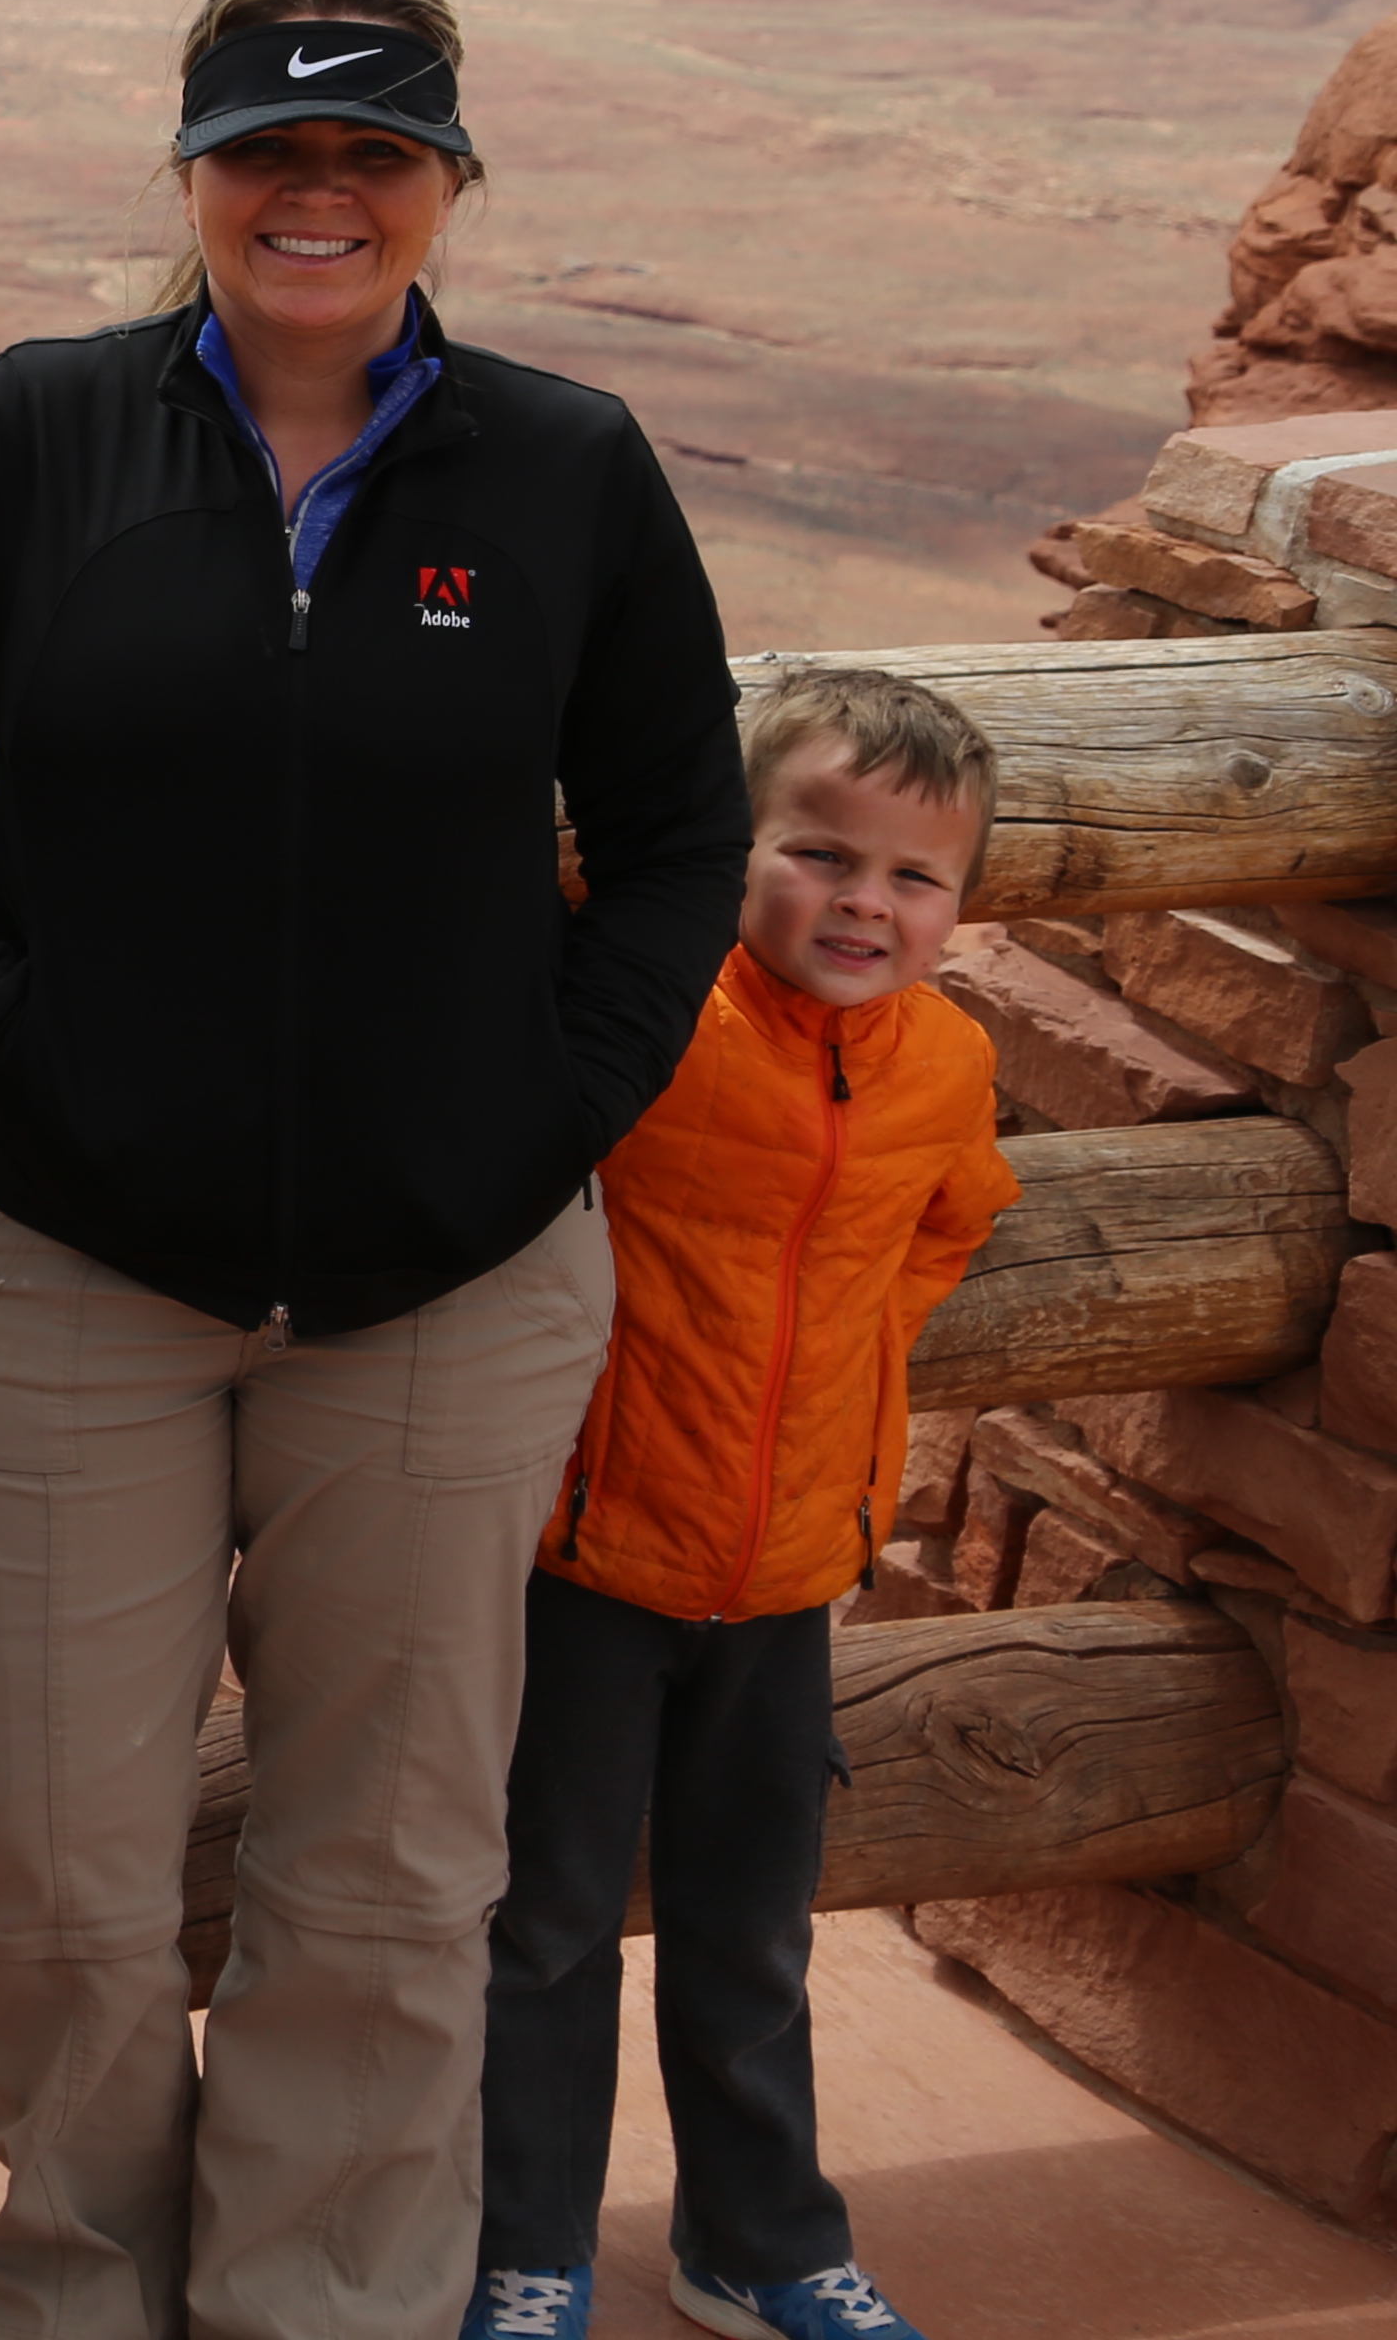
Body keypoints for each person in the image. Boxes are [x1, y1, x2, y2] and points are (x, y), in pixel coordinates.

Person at [0, 0, 754, 2338]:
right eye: (264, 152)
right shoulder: (40, 431)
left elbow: (686, 834)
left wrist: (548, 1107)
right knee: (51, 1866)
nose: (318, 197)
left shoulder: (568, 467)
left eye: (369, 153)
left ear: (446, 181)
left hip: (456, 1289)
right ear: (190, 175)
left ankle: (329, 2311)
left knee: (389, 1878)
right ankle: (79, 2289)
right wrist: (15, 1033)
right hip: (79, 1267)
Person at [463, 667, 1016, 2340]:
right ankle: (528, 2247)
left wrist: (855, 1394)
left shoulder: (945, 1067)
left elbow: (949, 1227)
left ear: (959, 905)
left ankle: (760, 2242)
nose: (864, 901)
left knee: (751, 1935)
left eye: (915, 876)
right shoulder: (650, 1013)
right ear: (734, 848)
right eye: (818, 853)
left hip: (788, 1575)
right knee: (546, 1925)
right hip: (590, 1555)